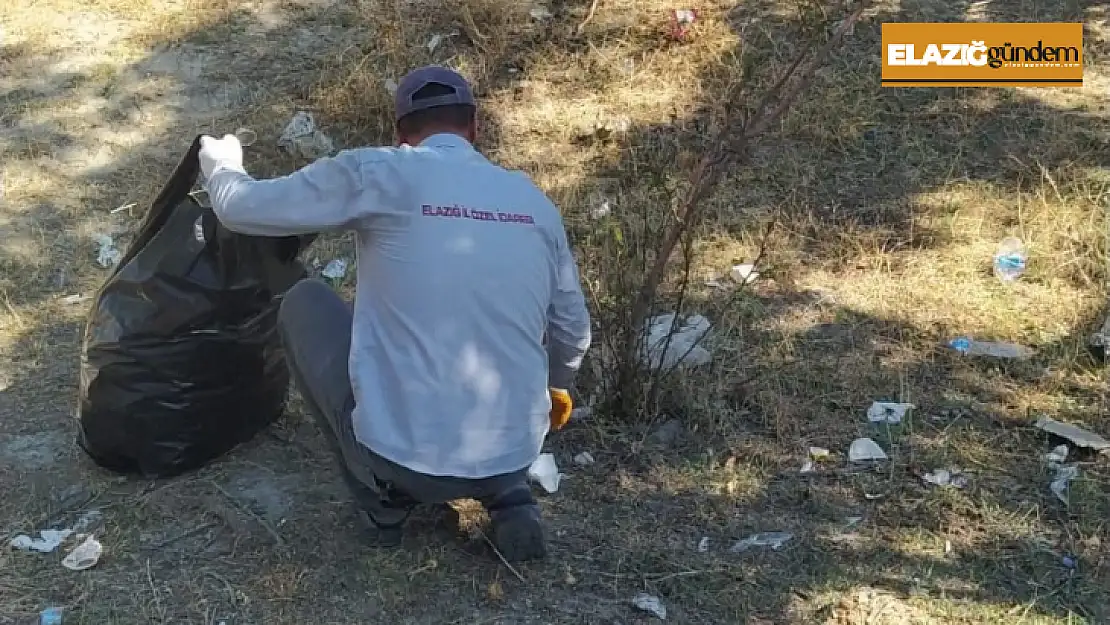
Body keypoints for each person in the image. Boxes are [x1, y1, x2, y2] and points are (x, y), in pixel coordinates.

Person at [197, 65, 591, 562]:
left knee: (305, 303)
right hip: (516, 450)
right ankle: (509, 495)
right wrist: (554, 386)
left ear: (401, 134)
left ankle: (383, 496)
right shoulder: (534, 203)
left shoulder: (378, 172)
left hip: (410, 460)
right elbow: (573, 331)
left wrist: (222, 164)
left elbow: (241, 209)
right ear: (474, 129)